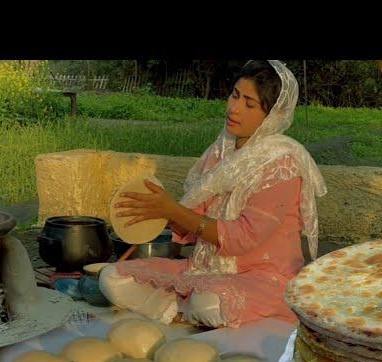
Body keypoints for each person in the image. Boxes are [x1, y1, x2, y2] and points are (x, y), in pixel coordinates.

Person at [99, 60, 327, 329]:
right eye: (235, 95)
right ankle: (184, 309)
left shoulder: (283, 163)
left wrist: (173, 210)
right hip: (204, 268)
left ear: (273, 116)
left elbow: (242, 238)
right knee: (112, 278)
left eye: (249, 104)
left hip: (261, 276)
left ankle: (187, 307)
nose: (234, 108)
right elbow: (196, 218)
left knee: (208, 302)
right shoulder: (221, 150)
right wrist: (159, 211)